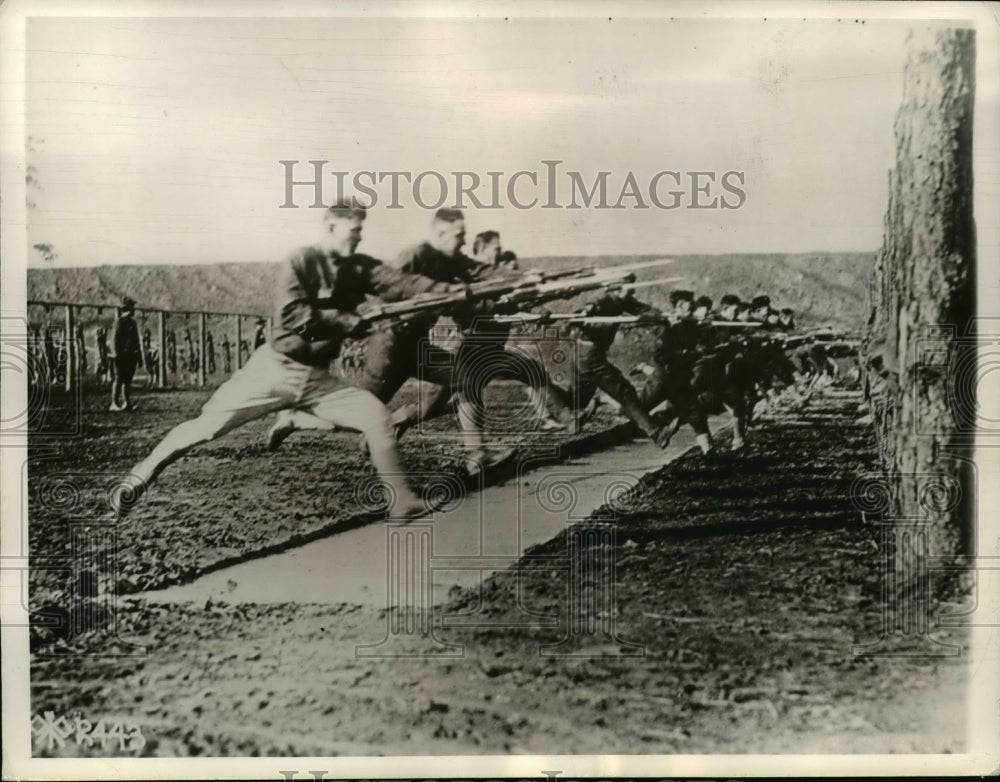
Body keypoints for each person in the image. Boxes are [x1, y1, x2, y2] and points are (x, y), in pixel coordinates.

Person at [111, 201, 453, 520]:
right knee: (208, 427)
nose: (359, 236)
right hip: (274, 370)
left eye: (361, 230)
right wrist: (350, 320)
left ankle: (402, 501)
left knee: (376, 416)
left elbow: (403, 283)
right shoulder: (300, 261)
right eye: (353, 230)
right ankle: (139, 476)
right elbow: (294, 314)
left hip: (317, 380)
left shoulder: (360, 267)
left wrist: (444, 291)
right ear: (331, 226)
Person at [110, 297, 143, 411]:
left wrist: (139, 357)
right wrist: (117, 356)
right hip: (120, 357)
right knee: (119, 379)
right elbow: (114, 341)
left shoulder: (132, 323)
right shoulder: (119, 322)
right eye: (132, 307)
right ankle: (114, 403)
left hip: (130, 357)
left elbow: (136, 341)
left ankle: (126, 402)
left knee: (127, 380)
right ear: (128, 308)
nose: (134, 310)